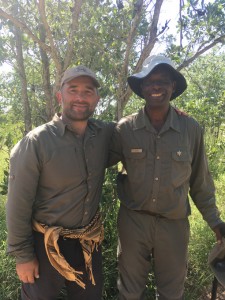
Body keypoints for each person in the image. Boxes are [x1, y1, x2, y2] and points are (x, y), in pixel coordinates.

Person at [109, 55, 225, 300]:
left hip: (174, 225)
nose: (156, 86)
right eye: (150, 81)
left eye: (163, 81)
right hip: (133, 223)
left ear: (173, 86)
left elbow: (200, 182)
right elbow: (95, 161)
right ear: (142, 88)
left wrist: (216, 224)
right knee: (129, 292)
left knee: (172, 294)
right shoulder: (125, 129)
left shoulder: (191, 129)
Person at [6, 65, 114, 300]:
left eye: (87, 91)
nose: (80, 97)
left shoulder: (105, 134)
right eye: (73, 89)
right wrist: (23, 256)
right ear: (60, 95)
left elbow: (136, 129)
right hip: (44, 244)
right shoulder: (37, 142)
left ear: (96, 99)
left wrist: (168, 112)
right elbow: (18, 204)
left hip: (87, 241)